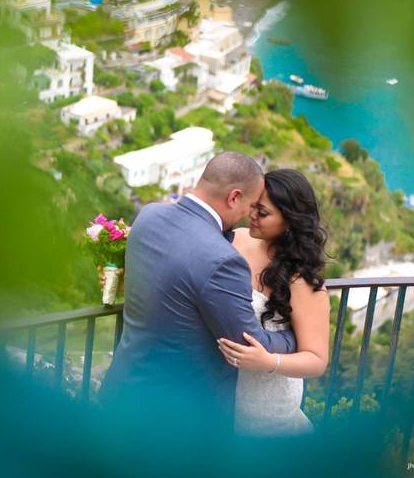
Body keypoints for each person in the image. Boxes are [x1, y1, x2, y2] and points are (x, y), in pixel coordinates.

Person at [98, 152, 297, 429]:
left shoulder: (149, 215)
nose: (248, 216)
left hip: (122, 389)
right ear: (233, 197)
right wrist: (291, 338)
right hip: (177, 419)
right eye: (250, 206)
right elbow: (249, 343)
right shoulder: (223, 259)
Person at [216, 168, 330, 436]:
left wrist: (268, 362)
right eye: (253, 207)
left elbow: (316, 360)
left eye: (263, 213)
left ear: (289, 221)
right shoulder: (237, 238)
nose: (252, 215)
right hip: (217, 393)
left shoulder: (301, 280)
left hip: (264, 409)